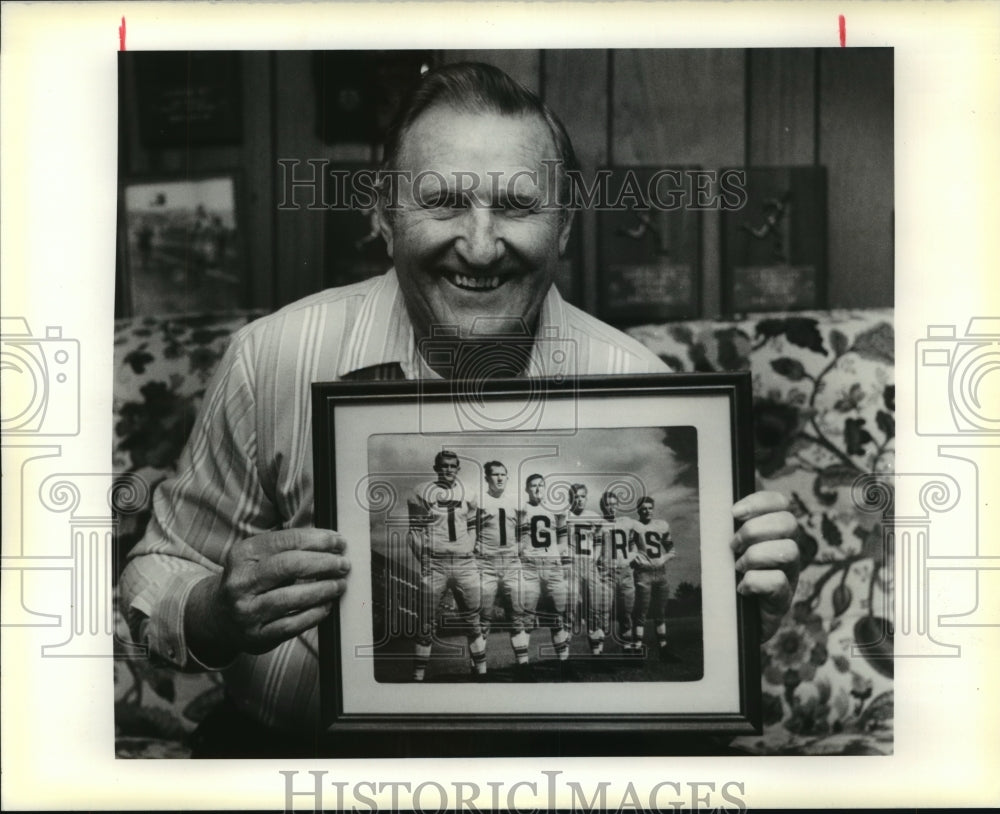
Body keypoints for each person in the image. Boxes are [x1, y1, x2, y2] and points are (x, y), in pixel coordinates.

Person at [120, 61, 799, 753]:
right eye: (442, 201)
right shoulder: (270, 360)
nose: (479, 246)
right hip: (300, 764)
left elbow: (690, 625)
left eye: (516, 206)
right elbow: (162, 566)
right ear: (383, 217)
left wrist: (748, 597)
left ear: (563, 226)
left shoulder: (645, 388)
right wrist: (211, 613)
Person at [406, 450, 486, 681]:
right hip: (436, 564)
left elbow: (473, 528)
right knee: (425, 624)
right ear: (436, 468)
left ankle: (482, 675)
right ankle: (417, 677)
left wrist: (468, 551)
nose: (448, 470)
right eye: (444, 466)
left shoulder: (469, 493)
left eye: (453, 466)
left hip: (464, 564)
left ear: (458, 468)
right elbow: (414, 531)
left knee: (473, 621)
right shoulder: (422, 492)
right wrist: (426, 561)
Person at [473, 461, 530, 669]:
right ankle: (479, 670)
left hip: (511, 563)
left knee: (517, 615)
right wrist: (476, 553)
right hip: (486, 563)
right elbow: (470, 531)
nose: (499, 478)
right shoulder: (478, 501)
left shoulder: (517, 502)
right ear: (486, 478)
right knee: (483, 618)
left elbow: (524, 532)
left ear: (508, 477)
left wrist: (520, 550)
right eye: (494, 474)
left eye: (503, 474)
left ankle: (523, 668)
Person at [516, 474, 571, 668]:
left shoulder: (556, 509)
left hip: (552, 565)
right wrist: (523, 554)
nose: (538, 489)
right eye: (533, 486)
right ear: (526, 489)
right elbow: (517, 538)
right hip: (530, 567)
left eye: (541, 485)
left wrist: (558, 558)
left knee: (558, 617)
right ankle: (523, 667)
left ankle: (564, 664)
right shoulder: (521, 510)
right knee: (526, 618)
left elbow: (564, 539)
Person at [564, 484, 611, 655]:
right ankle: (564, 659)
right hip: (572, 566)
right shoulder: (564, 516)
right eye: (576, 496)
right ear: (570, 499)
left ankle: (597, 655)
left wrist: (594, 559)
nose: (579, 500)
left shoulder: (594, 517)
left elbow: (599, 542)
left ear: (586, 497)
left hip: (589, 565)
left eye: (582, 496)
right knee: (569, 611)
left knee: (594, 610)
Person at [630, 495, 678, 660]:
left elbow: (672, 550)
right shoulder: (634, 526)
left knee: (660, 613)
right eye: (643, 508)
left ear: (653, 508)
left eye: (649, 508)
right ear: (638, 510)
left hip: (661, 573)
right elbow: (626, 549)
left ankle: (664, 650)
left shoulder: (661, 525)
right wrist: (635, 559)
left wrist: (662, 559)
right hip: (643, 573)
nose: (647, 511)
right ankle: (637, 650)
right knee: (641, 613)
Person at [596, 490, 641, 652]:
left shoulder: (626, 522)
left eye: (614, 504)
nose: (611, 508)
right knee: (602, 614)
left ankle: (628, 650)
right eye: (608, 504)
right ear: (603, 506)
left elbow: (635, 545)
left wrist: (630, 558)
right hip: (605, 574)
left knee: (626, 614)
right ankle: (598, 654)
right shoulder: (597, 524)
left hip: (625, 572)